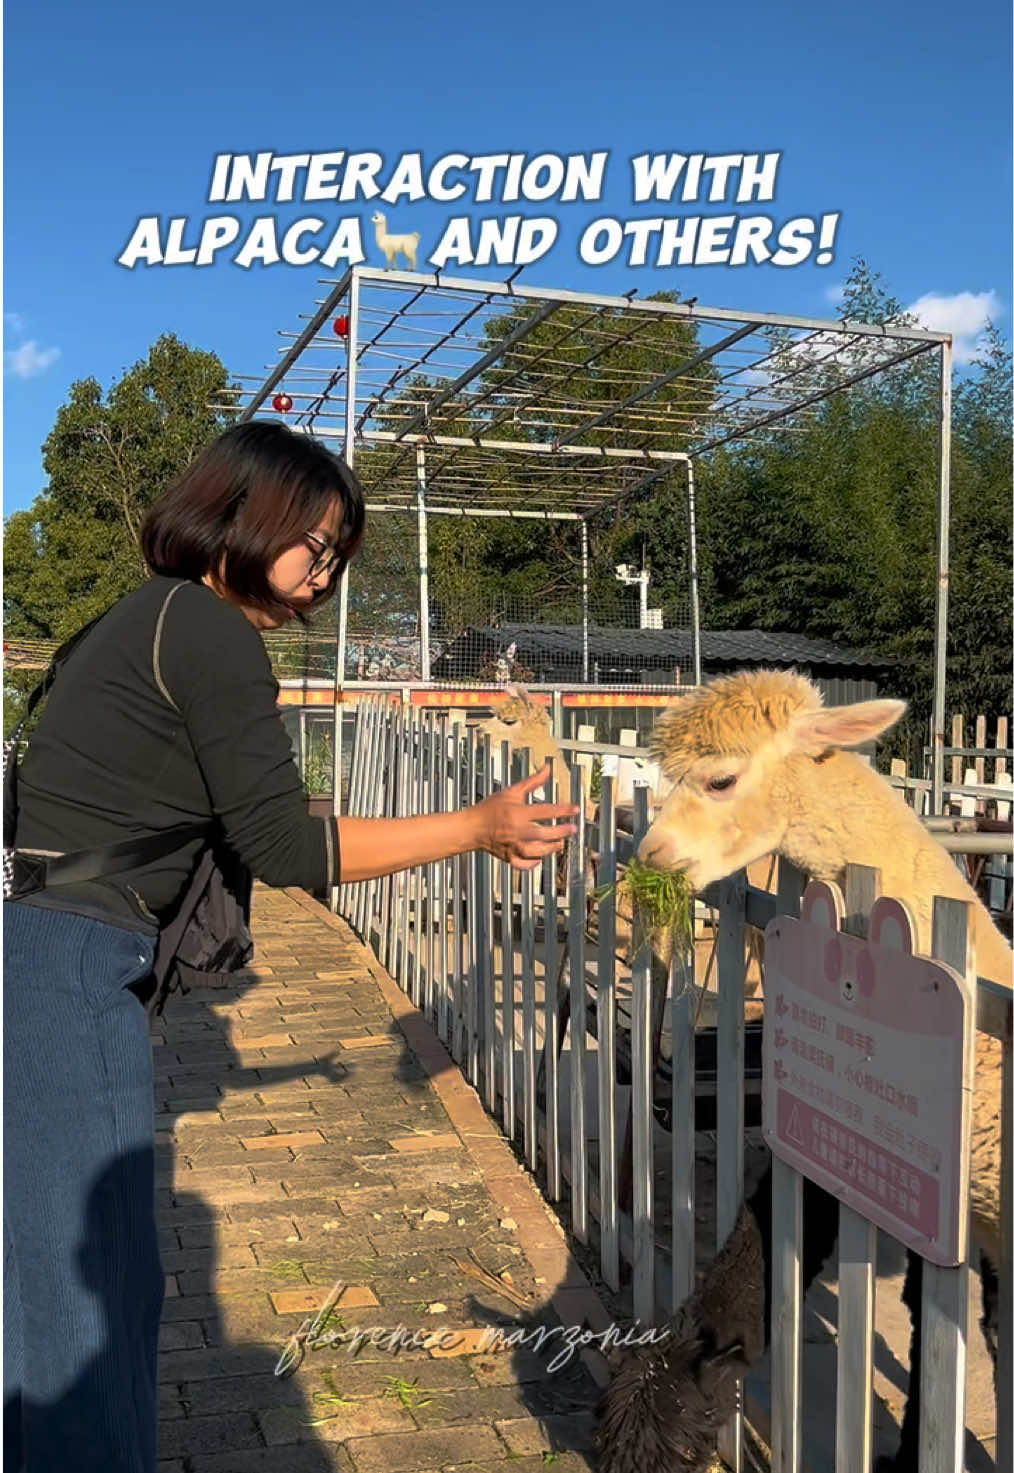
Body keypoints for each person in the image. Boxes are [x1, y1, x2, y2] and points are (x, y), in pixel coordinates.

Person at [3, 419, 578, 1473]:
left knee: (59, 1287)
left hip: (43, 948)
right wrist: (479, 827)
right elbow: (281, 844)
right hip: (65, 963)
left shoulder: (144, 618)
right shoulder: (210, 631)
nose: (324, 572)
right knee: (81, 1312)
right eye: (314, 542)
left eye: (337, 552)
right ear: (236, 518)